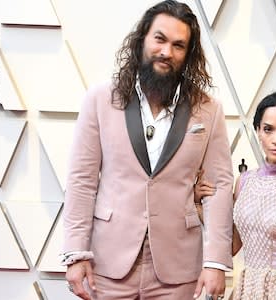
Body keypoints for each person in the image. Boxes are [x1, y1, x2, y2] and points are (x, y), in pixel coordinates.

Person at [61, 1, 234, 299]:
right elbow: (82, 179)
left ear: (188, 54)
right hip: (108, 261)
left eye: (179, 45)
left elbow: (219, 186)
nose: (167, 52)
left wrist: (216, 261)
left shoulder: (208, 110)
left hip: (178, 267)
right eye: (160, 39)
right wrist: (76, 253)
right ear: (143, 39)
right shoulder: (100, 99)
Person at [196, 90, 276, 299]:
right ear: (258, 130)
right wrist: (200, 208)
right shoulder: (244, 181)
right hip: (247, 289)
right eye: (268, 129)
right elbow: (231, 246)